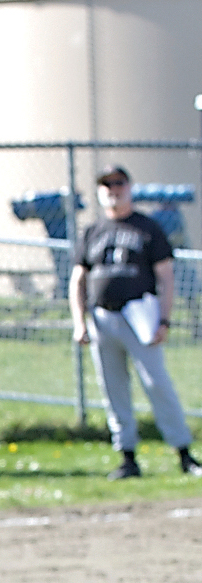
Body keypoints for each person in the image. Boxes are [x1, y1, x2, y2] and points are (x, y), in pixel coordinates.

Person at [70, 165, 202, 480]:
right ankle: (127, 458)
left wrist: (165, 320)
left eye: (119, 184)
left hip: (140, 317)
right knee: (113, 389)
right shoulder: (92, 231)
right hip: (103, 318)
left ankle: (184, 454)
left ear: (129, 187)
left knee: (157, 384)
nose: (113, 190)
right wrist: (79, 322)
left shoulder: (147, 228)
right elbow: (78, 279)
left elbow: (166, 277)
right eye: (106, 185)